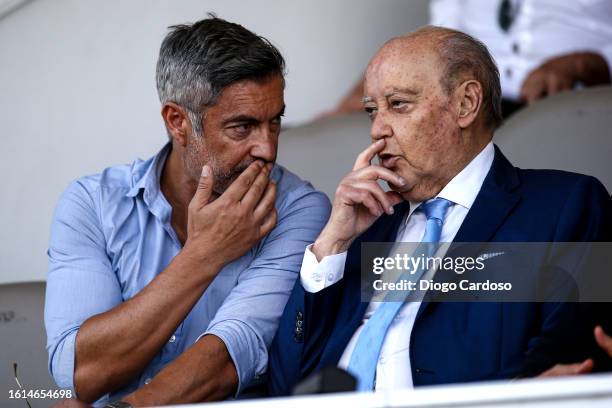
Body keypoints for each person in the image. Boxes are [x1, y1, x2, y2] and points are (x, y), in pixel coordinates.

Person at [268, 26, 612, 395]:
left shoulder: (565, 206)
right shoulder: (367, 228)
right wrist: (330, 246)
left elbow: (567, 364)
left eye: (398, 104)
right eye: (371, 111)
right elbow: (286, 384)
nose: (378, 130)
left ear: (466, 103)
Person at [44, 16, 330, 407]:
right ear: (178, 123)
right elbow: (80, 374)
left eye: (274, 122)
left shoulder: (299, 210)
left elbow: (227, 359)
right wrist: (204, 254)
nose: (267, 149)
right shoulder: (92, 204)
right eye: (242, 127)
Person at [328, 0, 612, 119]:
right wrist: (373, 89)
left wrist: (584, 63)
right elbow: (441, 37)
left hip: (580, 102)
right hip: (475, 105)